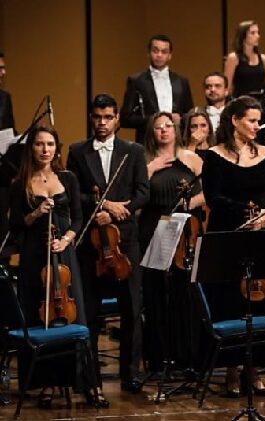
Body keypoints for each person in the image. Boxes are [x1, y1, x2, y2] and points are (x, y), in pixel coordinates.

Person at [67, 93, 149, 393]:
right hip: (92, 245)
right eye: (97, 117)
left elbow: (143, 192)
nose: (102, 123)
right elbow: (74, 193)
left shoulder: (134, 150)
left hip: (125, 243)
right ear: (92, 118)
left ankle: (131, 375)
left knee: (132, 311)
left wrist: (118, 210)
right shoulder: (77, 151)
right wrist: (102, 208)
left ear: (116, 119)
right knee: (90, 311)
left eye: (108, 117)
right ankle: (90, 379)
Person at [9, 126, 95, 408]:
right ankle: (45, 382)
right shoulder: (19, 183)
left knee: (70, 314)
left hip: (64, 256)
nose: (45, 150)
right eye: (39, 144)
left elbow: (79, 219)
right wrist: (36, 213)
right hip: (35, 257)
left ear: (57, 148)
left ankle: (80, 382)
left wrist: (67, 240)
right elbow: (15, 225)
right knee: (39, 315)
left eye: (50, 144)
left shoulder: (68, 178)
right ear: (30, 148)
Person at [200, 95, 265, 397]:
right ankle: (231, 371)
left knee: (258, 301)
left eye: (258, 121)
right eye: (252, 121)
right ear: (234, 120)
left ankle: (255, 369)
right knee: (230, 302)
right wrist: (246, 211)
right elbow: (214, 198)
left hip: (259, 237)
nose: (257, 126)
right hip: (227, 237)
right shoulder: (215, 156)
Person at [138, 112, 205, 373]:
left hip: (184, 227)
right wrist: (150, 170)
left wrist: (187, 203)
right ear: (151, 132)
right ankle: (157, 358)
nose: (164, 131)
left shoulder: (191, 159)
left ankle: (186, 357)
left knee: (184, 292)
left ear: (177, 130)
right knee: (154, 293)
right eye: (158, 127)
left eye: (168, 126)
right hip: (154, 227)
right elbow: (135, 194)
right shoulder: (143, 160)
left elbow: (207, 192)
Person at [120, 35, 194, 143]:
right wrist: (154, 120)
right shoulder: (136, 81)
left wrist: (181, 119)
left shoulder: (182, 81)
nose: (159, 55)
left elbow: (190, 115)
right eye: (155, 51)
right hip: (147, 142)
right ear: (149, 53)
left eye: (164, 52)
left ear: (170, 56)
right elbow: (125, 119)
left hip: (177, 142)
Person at [0, 51, 17, 253]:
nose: (3, 72)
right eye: (0, 68)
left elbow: (9, 129)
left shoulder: (5, 98)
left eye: (4, 68)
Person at [224, 20, 265, 100]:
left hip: (259, 104)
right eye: (253, 33)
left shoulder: (262, 58)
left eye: (258, 32)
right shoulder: (233, 58)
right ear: (243, 36)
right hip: (240, 103)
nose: (257, 36)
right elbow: (227, 87)